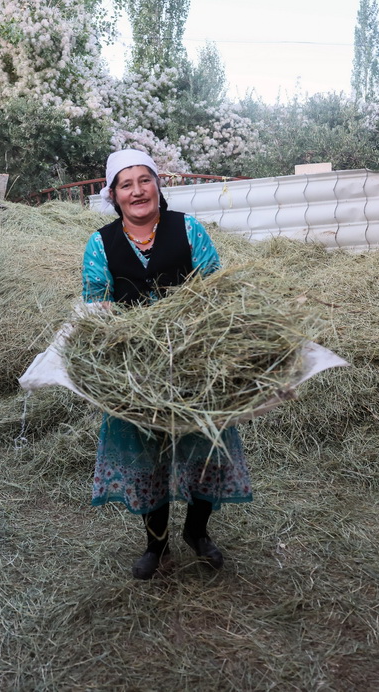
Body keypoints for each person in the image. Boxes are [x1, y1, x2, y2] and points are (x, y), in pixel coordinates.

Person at [81, 149, 253, 580]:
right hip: (135, 370)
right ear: (113, 195)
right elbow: (97, 305)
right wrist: (129, 339)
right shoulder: (100, 243)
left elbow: (216, 289)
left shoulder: (188, 229)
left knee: (204, 448)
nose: (137, 190)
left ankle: (197, 533)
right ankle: (156, 545)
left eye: (145, 180)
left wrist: (196, 338)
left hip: (195, 362)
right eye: (126, 184)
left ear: (159, 186)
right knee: (148, 454)